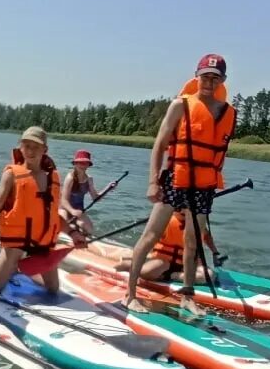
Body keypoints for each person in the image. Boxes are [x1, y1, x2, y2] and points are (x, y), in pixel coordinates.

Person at [122, 53, 236, 306]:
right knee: (150, 235)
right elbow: (160, 144)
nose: (209, 82)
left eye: (215, 78)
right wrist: (153, 181)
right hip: (176, 178)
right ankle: (129, 295)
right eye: (205, 76)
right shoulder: (180, 105)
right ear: (196, 77)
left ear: (223, 81)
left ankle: (187, 296)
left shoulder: (228, 113)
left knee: (192, 242)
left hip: (204, 184)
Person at [0, 126, 65, 294]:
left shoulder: (53, 177)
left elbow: (54, 214)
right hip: (16, 241)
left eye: (36, 147)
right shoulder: (11, 174)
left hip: (42, 241)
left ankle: (17, 268)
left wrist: (75, 233)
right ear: (20, 147)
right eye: (27, 146)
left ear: (45, 149)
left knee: (53, 289)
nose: (30, 151)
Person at [60, 148, 102, 237]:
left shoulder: (89, 179)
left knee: (89, 230)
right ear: (75, 164)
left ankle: (77, 228)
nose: (82, 165)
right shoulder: (70, 178)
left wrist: (109, 188)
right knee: (63, 227)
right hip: (65, 208)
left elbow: (95, 198)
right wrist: (72, 211)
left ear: (88, 165)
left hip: (79, 210)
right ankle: (74, 228)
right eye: (80, 162)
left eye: (85, 163)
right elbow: (64, 200)